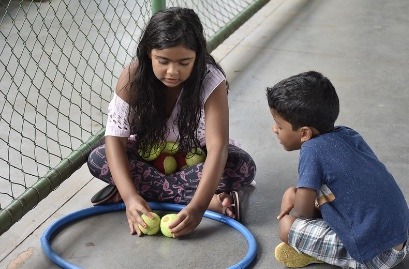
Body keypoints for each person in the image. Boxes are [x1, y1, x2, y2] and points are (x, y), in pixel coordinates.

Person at [87, 7, 256, 238]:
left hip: (195, 158)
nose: (172, 71)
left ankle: (148, 191)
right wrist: (130, 198)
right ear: (149, 53)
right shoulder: (133, 77)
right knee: (99, 158)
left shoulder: (210, 79)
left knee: (241, 165)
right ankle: (207, 201)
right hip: (151, 157)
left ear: (197, 57)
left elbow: (218, 149)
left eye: (184, 62)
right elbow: (115, 140)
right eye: (163, 61)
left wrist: (196, 209)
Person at [266, 71, 409, 268]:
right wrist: (295, 194)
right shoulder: (348, 134)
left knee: (286, 227)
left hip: (376, 258)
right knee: (294, 193)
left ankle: (315, 252)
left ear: (304, 133)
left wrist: (293, 207)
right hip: (401, 236)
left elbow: (302, 213)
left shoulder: (311, 150)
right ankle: (322, 248)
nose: (274, 129)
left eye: (279, 125)